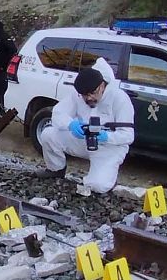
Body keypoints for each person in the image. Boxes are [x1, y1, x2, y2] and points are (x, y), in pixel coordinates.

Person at [34, 58, 134, 193]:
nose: (88, 98)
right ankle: (56, 169)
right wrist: (71, 124)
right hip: (83, 140)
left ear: (102, 86)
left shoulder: (119, 98)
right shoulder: (78, 95)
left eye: (92, 93)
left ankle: (108, 178)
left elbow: (128, 136)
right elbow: (58, 113)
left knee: (97, 186)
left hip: (109, 147)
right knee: (48, 134)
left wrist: (105, 136)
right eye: (84, 95)